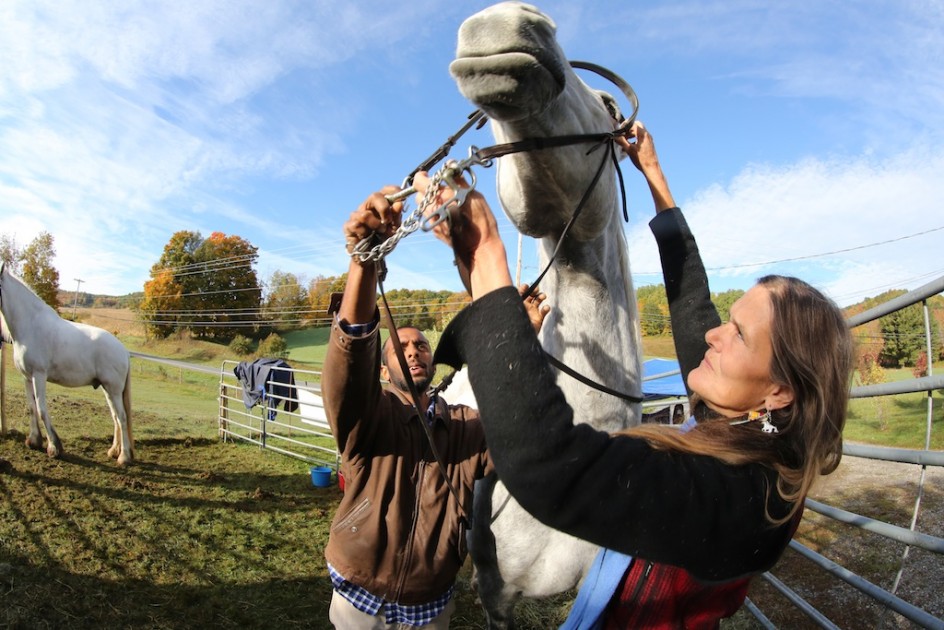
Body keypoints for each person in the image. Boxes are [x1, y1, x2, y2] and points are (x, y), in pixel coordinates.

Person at [408, 121, 854, 628]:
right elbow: (691, 302)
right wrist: (654, 176)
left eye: (739, 336)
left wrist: (486, 255)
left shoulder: (742, 496)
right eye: (728, 324)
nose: (713, 336)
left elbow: (548, 466)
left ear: (780, 391)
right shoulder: (746, 424)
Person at [321, 186, 549, 629]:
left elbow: (518, 420)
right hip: (358, 603)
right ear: (384, 371)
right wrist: (363, 267)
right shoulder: (369, 418)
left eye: (421, 344)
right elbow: (348, 372)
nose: (413, 350)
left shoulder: (465, 428)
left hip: (431, 608)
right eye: (400, 347)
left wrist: (525, 335)